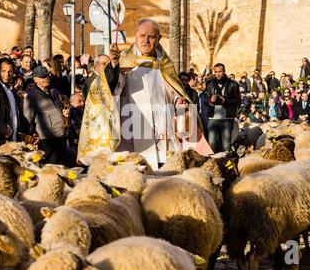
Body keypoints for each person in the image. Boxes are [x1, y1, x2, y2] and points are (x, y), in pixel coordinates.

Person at [78, 18, 212, 169]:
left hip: (162, 132)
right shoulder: (123, 63)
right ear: (136, 35)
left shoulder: (164, 66)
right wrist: (114, 66)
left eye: (151, 37)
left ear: (159, 39)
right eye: (142, 36)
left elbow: (172, 92)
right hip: (131, 130)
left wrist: (177, 101)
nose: (146, 41)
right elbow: (108, 88)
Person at [24, 66, 69, 166]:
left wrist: (65, 114)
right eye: (43, 77)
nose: (46, 78)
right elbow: (28, 118)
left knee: (62, 167)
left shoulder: (54, 92)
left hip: (61, 135)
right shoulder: (31, 97)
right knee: (49, 168)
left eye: (47, 76)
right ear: (35, 79)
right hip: (46, 139)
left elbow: (61, 107)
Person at [207, 63, 241, 153]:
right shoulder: (210, 83)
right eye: (216, 72)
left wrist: (225, 101)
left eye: (220, 71)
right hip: (213, 118)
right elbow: (205, 101)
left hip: (227, 118)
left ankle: (224, 165)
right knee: (212, 145)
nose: (218, 74)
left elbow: (238, 101)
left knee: (226, 146)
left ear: (224, 71)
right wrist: (211, 100)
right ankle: (213, 165)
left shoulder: (233, 84)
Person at [0, 58, 30, 141]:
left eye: (10, 71)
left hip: (14, 138)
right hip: (2, 140)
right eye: (3, 71)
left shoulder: (13, 92)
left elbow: (17, 115)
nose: (7, 74)